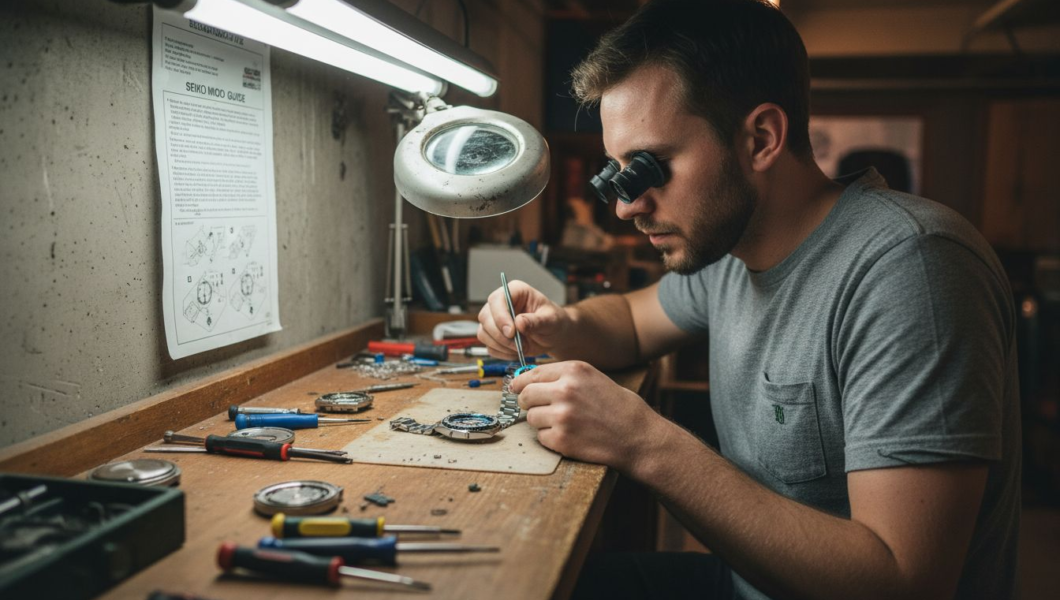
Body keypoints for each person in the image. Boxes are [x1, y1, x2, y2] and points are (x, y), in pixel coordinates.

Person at [476, 1, 1020, 599]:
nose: (627, 205)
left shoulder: (910, 270)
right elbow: (632, 319)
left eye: (648, 167)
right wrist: (559, 321)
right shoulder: (733, 248)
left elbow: (903, 581)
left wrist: (643, 442)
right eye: (617, 172)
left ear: (760, 138)